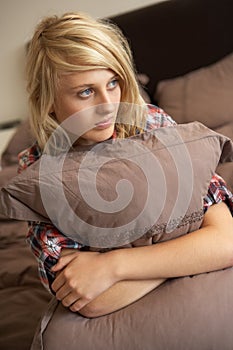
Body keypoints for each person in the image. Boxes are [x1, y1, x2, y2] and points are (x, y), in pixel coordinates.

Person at [19, 11, 233, 318]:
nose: (108, 105)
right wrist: (187, 250)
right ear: (49, 100)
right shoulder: (41, 175)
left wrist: (113, 266)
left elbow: (225, 241)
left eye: (113, 83)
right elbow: (88, 298)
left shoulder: (151, 123)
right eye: (86, 92)